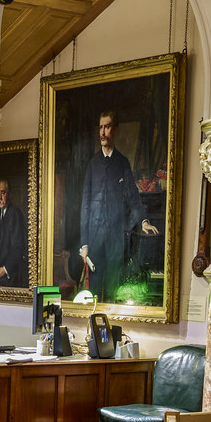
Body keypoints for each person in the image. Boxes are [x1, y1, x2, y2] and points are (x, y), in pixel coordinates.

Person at [79, 110, 159, 302]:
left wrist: (144, 221)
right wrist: (84, 243)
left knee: (114, 288)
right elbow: (85, 206)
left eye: (106, 127)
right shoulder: (92, 165)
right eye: (100, 127)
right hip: (95, 238)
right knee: (94, 292)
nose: (102, 133)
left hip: (116, 238)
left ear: (114, 130)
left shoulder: (122, 163)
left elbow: (133, 197)